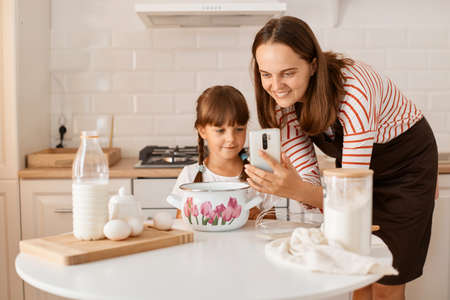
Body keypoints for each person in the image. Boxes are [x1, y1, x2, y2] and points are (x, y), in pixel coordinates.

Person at [244, 16, 438, 300]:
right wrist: (294, 186)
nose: (276, 86)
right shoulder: (282, 105)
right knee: (355, 274)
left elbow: (349, 200)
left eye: (287, 73)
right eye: (266, 74)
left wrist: (295, 188)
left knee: (386, 284)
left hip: (405, 171)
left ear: (312, 65)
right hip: (356, 171)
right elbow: (310, 178)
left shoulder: (355, 90)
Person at [171, 85, 271, 220]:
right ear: (202, 131)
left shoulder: (259, 175)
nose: (231, 138)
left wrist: (257, 216)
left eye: (239, 129)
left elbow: (272, 224)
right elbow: (181, 223)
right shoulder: (190, 175)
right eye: (220, 130)